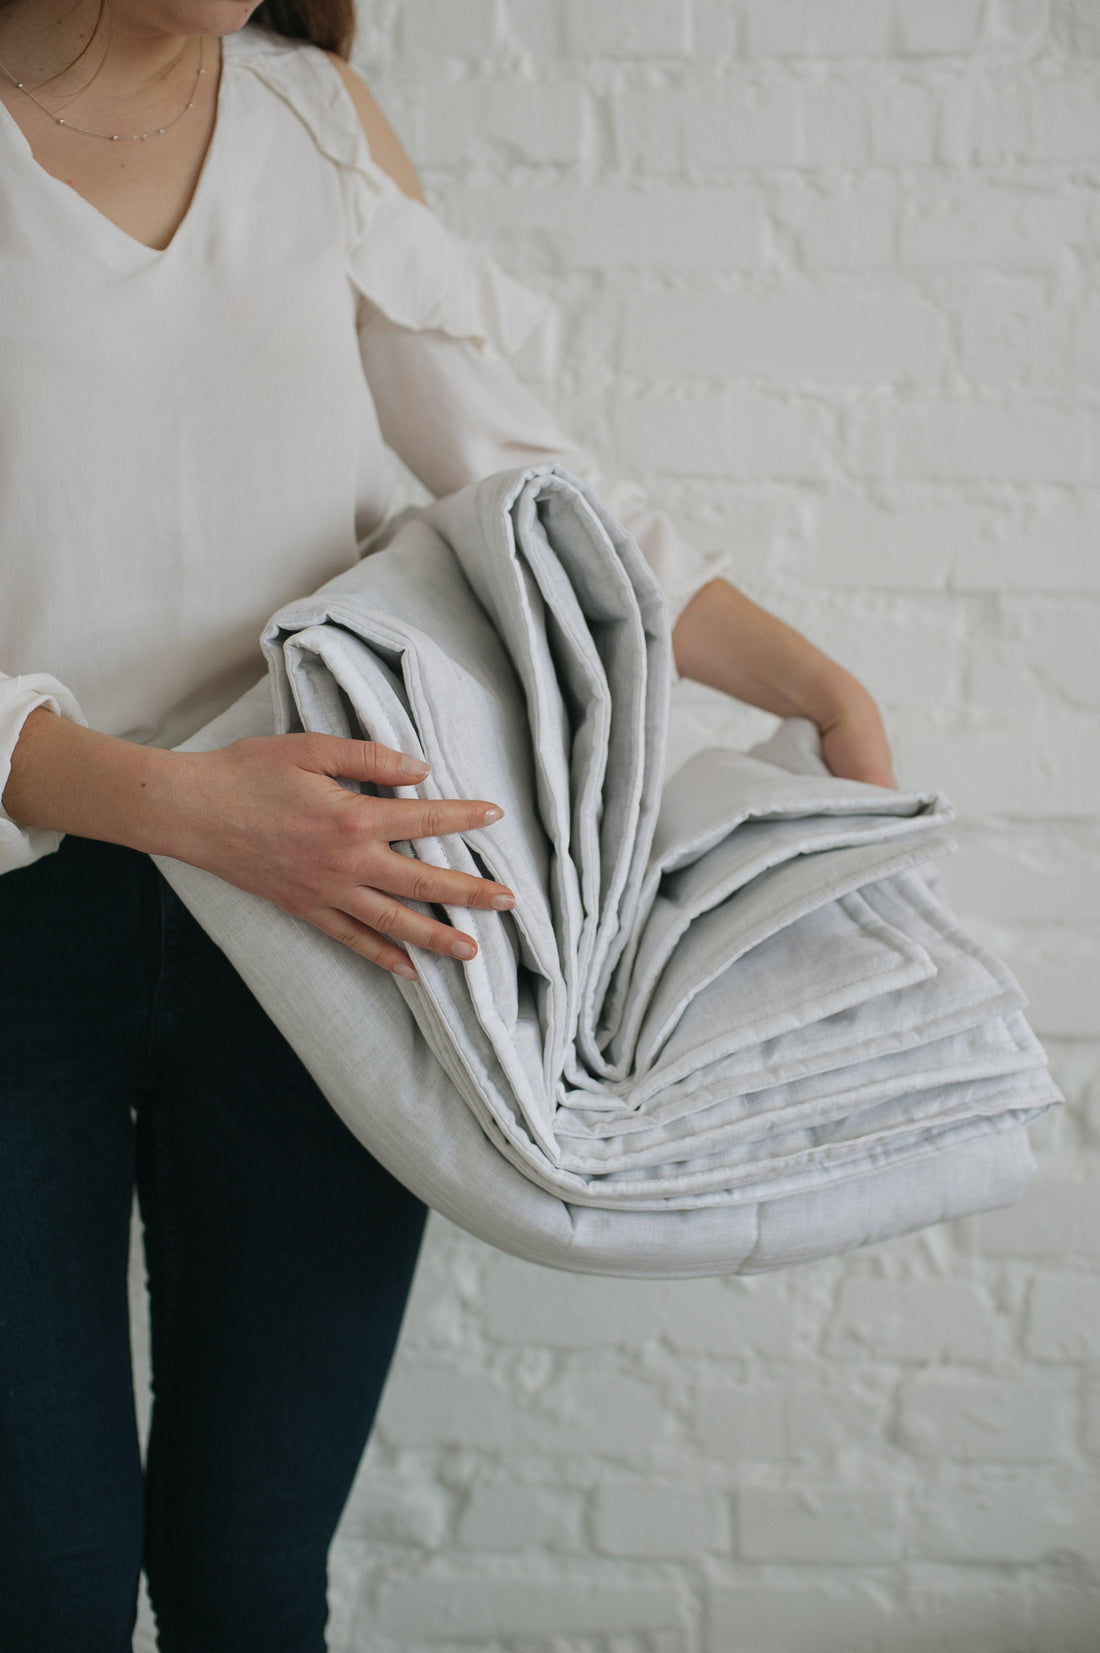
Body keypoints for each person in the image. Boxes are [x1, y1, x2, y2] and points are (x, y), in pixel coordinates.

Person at [0, 0, 898, 1646]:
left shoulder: (320, 127)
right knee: (37, 1594)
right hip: (22, 926)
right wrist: (180, 802)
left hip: (335, 921)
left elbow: (530, 487)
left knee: (250, 1582)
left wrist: (810, 678)